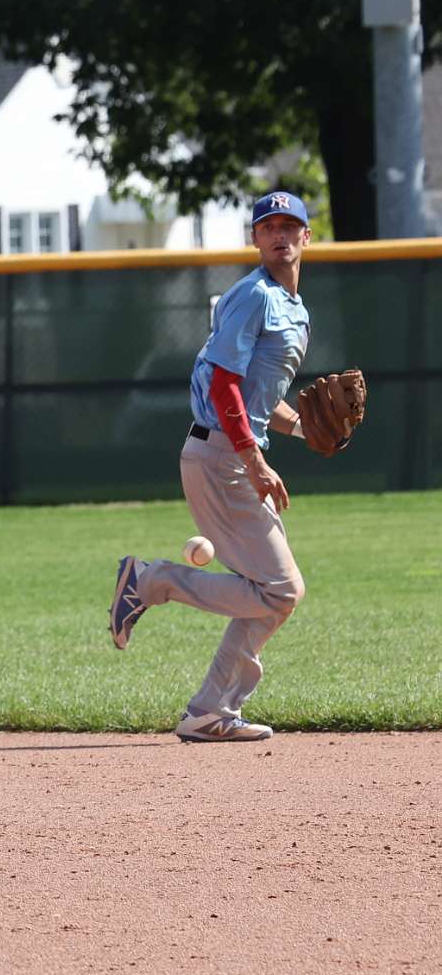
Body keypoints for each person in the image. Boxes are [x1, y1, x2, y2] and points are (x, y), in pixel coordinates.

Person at [108, 191, 315, 742]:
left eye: (289, 225)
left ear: (306, 236)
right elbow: (225, 386)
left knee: (269, 595)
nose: (279, 234)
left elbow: (260, 396)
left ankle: (210, 711)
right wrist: (255, 460)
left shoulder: (294, 309)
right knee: (281, 591)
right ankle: (152, 581)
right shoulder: (254, 296)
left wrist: (304, 428)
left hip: (231, 453)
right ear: (255, 239)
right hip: (223, 455)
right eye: (268, 226)